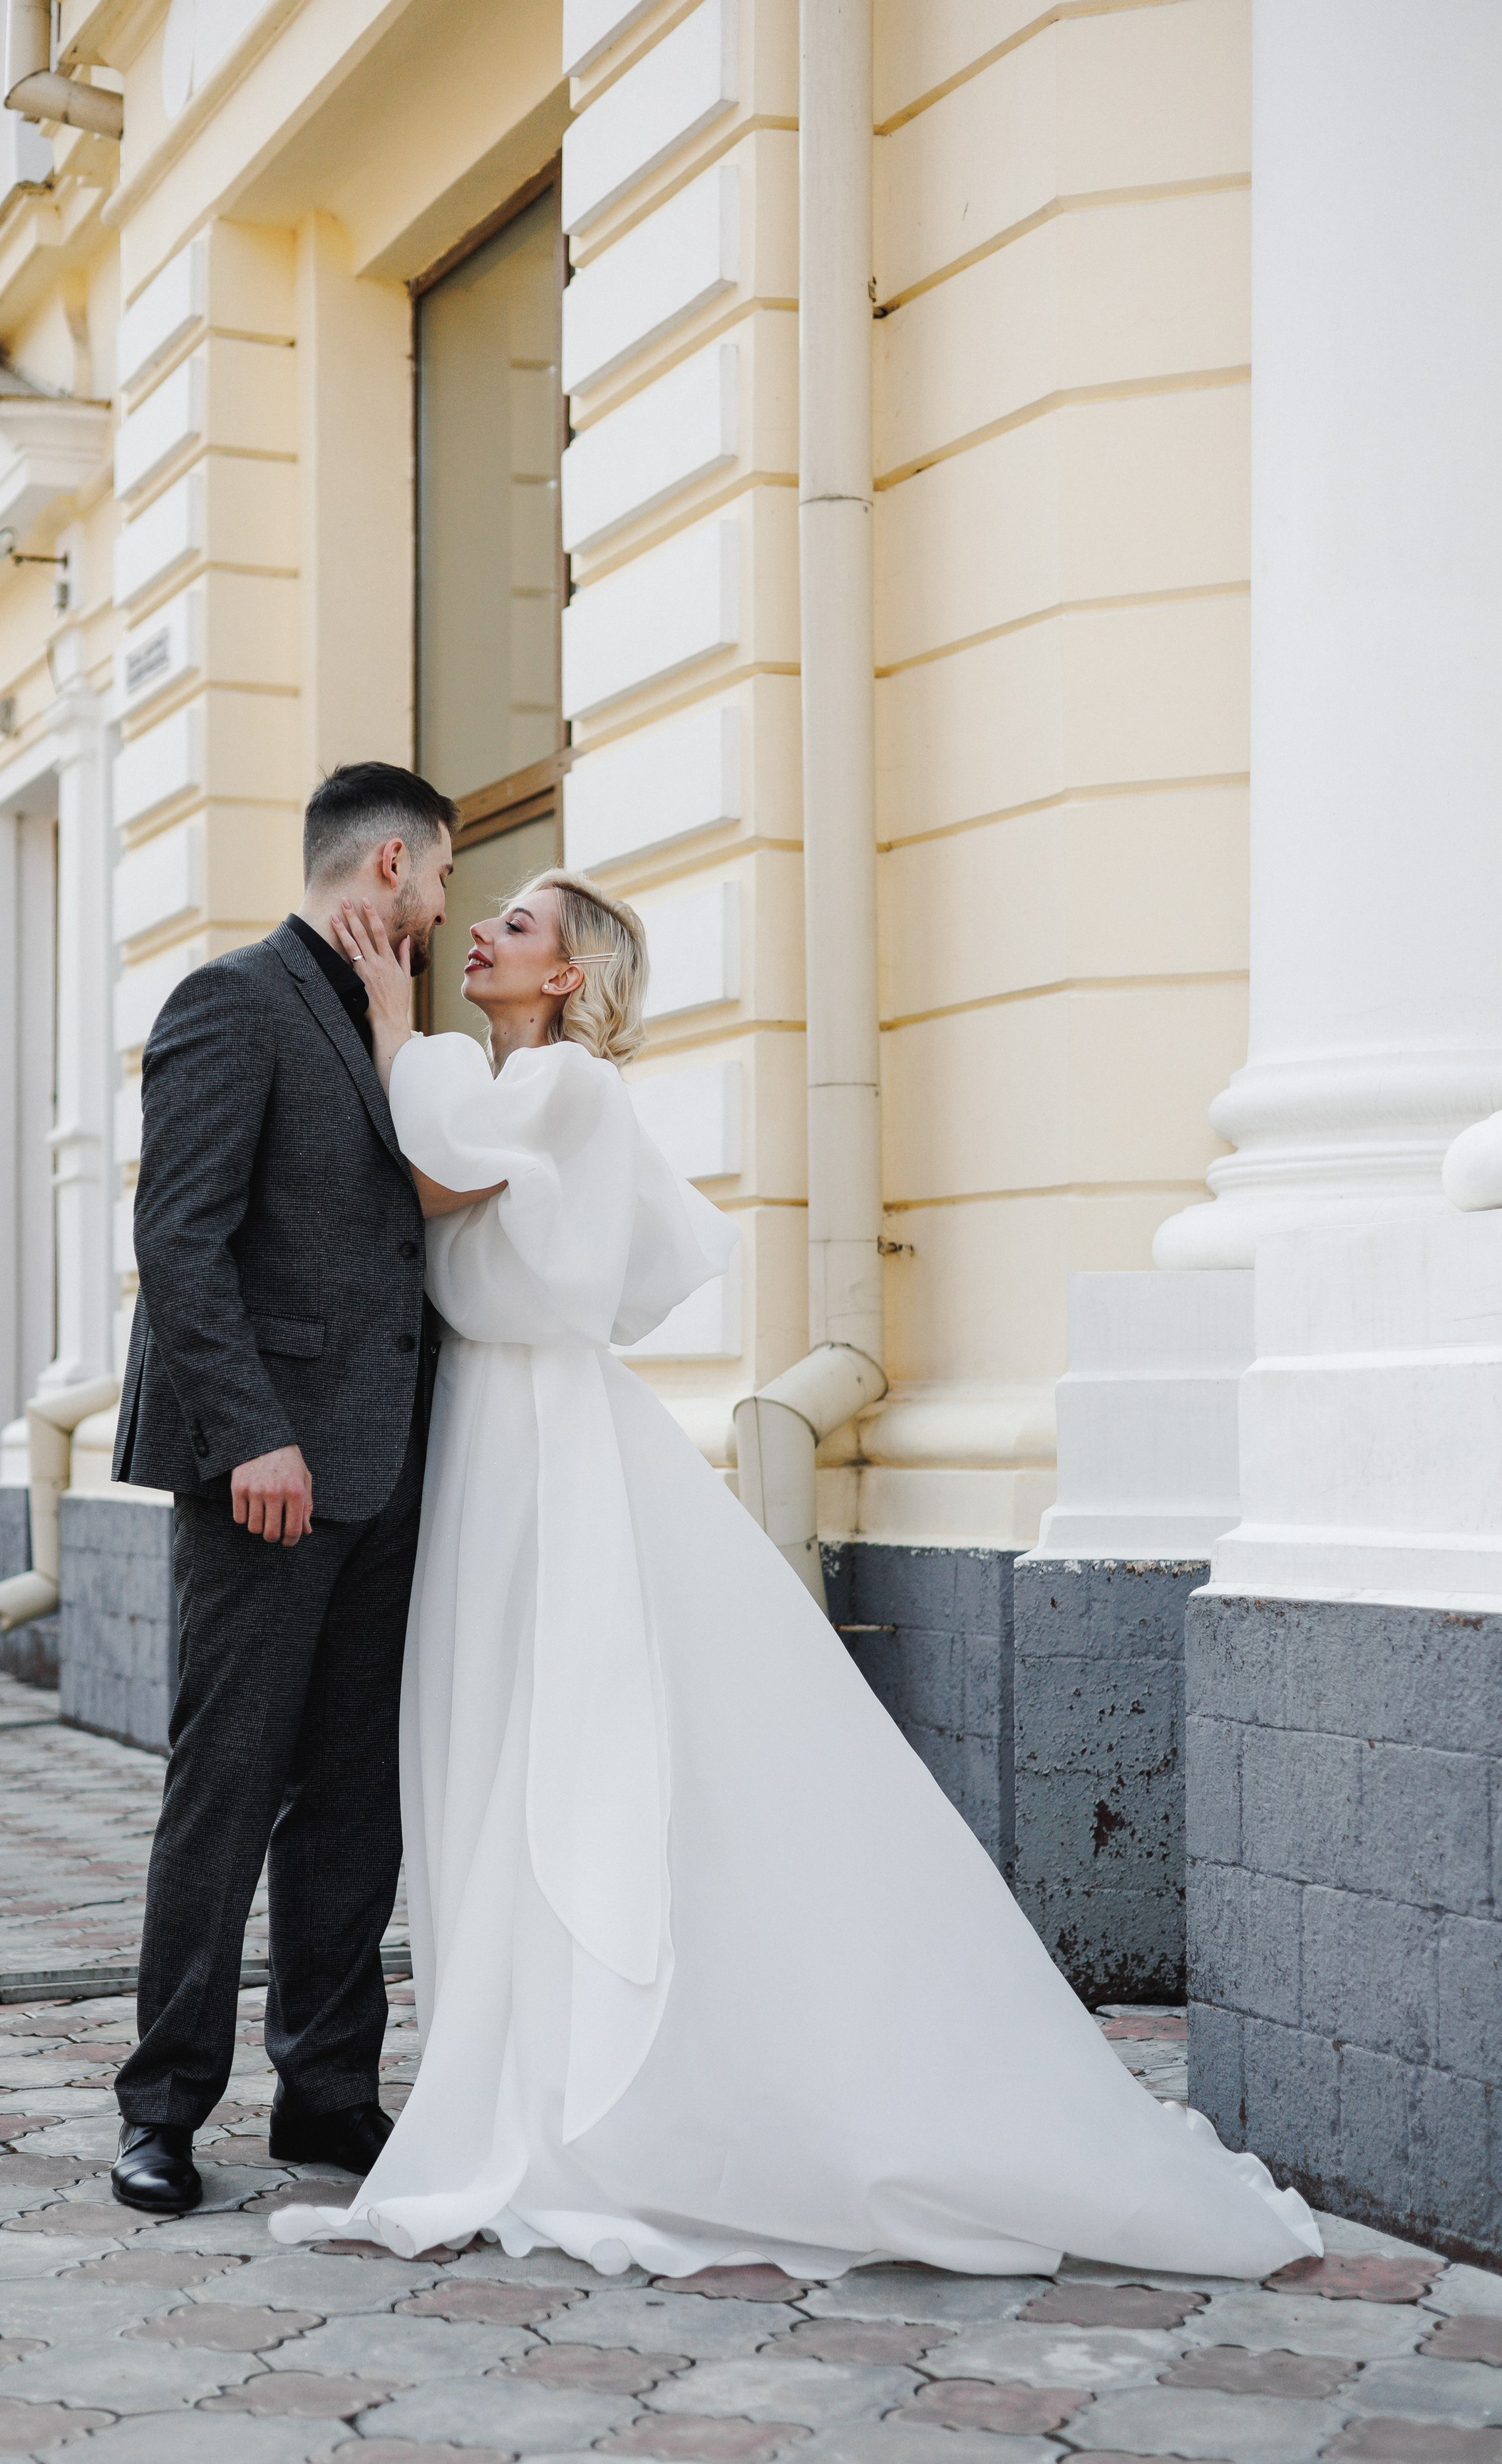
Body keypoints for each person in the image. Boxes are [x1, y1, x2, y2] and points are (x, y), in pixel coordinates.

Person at [269, 870, 1322, 2281]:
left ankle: (582, 2094)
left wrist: (393, 1022)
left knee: (560, 1745)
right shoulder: (510, 1085)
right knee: (492, 1750)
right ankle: (519, 2061)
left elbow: (433, 1160)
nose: (481, 933)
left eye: (515, 925)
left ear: (568, 976)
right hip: (485, 1436)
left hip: (541, 1441)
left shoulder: (563, 1086)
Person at [108, 761, 470, 2215]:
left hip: (390, 1467)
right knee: (227, 1787)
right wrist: (251, 1432)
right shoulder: (230, 1001)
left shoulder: (395, 1022)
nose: (443, 906)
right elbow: (178, 1239)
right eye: (440, 875)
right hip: (267, 1474)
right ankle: (161, 2111)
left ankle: (328, 2095)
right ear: (388, 865)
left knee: (354, 1803)